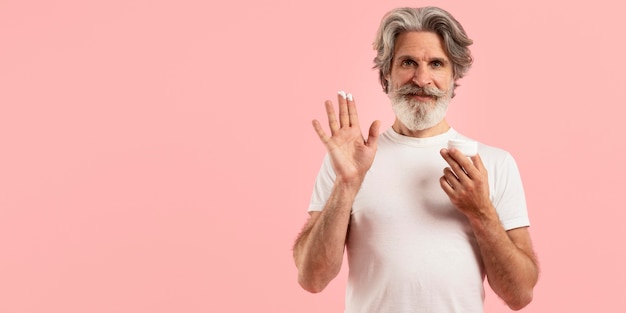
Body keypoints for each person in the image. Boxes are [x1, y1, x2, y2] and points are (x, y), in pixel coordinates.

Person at [292, 6, 539, 313]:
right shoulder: (350, 162)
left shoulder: (494, 164)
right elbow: (312, 277)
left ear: (453, 76)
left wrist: (481, 212)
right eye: (408, 62)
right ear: (387, 75)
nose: (422, 79)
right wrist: (346, 184)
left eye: (436, 64)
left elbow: (520, 294)